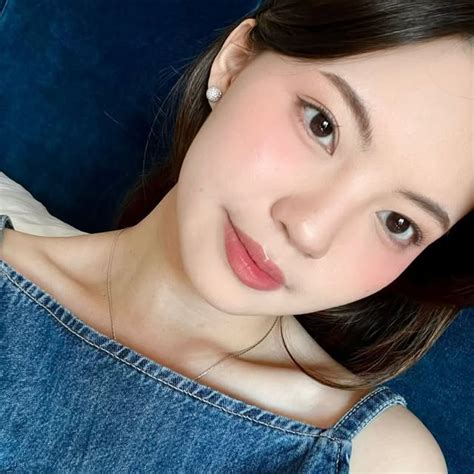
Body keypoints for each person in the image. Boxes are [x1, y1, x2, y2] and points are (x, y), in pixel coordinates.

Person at [1, 0, 472, 471]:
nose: (309, 230)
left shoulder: (373, 459)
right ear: (236, 62)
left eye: (397, 222)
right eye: (322, 126)